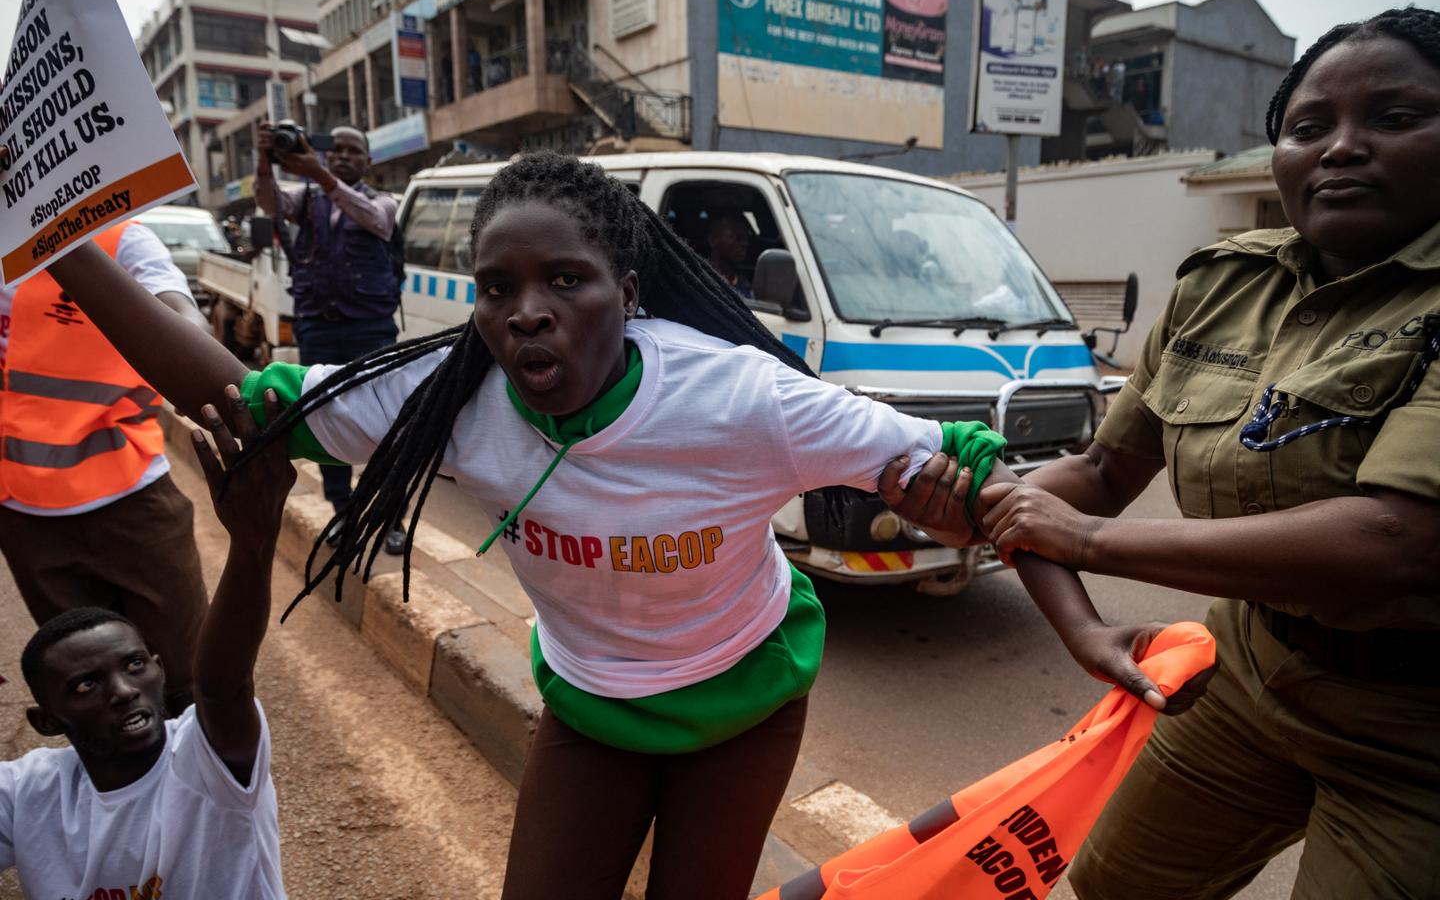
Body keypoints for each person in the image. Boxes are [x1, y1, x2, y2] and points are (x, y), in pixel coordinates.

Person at [42, 152, 1203, 900]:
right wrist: (57, 238)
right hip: (592, 713)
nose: (528, 313)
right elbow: (223, 392)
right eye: (499, 289)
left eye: (567, 281)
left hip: (744, 708)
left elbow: (985, 481)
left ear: (628, 289)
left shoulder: (738, 398)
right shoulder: (450, 401)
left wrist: (1086, 633)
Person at [882, 7, 1440, 899]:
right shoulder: (1224, 286)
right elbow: (1103, 475)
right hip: (1250, 674)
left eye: (1396, 117)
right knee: (1117, 885)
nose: (1341, 147)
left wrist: (1082, 542)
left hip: (1417, 732)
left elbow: (1395, 543)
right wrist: (994, 499)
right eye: (1309, 127)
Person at [0, 385, 294, 897]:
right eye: (86, 685)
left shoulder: (208, 763)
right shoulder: (27, 793)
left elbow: (222, 685)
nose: (123, 690)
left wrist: (253, 543)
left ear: (161, 668)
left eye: (135, 665)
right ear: (47, 722)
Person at [0, 192, 210, 719]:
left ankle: (208, 795)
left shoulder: (121, 240)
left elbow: (188, 325)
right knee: (91, 701)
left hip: (133, 498)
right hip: (25, 514)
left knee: (188, 680)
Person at [254, 121, 407, 554]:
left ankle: (391, 516)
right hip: (318, 324)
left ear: (368, 161)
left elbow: (374, 221)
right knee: (325, 420)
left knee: (386, 421)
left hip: (370, 327)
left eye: (353, 151)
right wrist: (264, 164)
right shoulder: (307, 199)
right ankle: (344, 513)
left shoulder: (382, 201)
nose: (342, 156)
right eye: (334, 149)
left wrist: (320, 175)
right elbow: (269, 203)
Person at [704, 209, 755, 298]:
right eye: (737, 237)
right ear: (713, 240)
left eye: (746, 238)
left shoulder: (744, 283)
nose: (744, 243)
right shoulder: (702, 279)